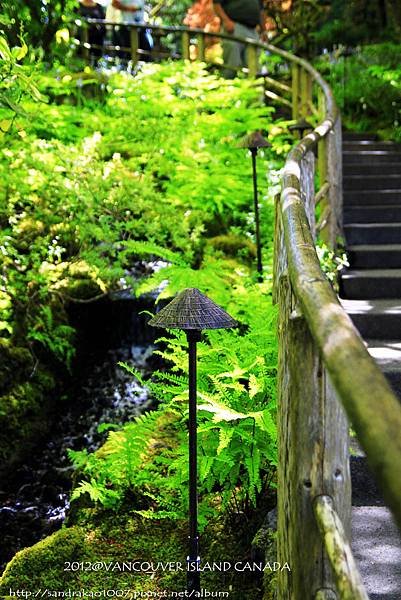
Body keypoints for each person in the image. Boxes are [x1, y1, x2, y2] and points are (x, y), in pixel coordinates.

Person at [213, 0, 266, 78]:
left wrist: (263, 30)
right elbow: (216, 4)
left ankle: (252, 88)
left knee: (253, 66)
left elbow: (261, 10)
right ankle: (227, 86)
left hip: (253, 30)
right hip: (234, 27)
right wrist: (226, 21)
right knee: (232, 63)